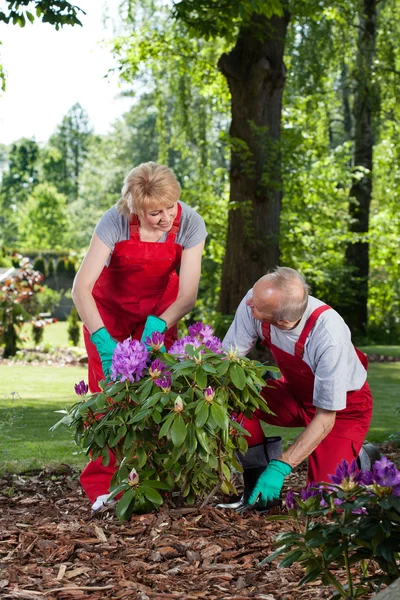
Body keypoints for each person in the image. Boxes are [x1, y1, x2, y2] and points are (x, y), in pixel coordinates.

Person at [72, 161, 207, 510]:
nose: (164, 219)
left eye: (169, 208)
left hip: (161, 313)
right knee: (108, 399)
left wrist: (160, 324)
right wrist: (101, 338)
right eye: (153, 213)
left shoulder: (190, 223)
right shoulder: (114, 221)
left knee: (160, 395)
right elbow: (80, 289)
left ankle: (152, 482)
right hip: (110, 314)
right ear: (135, 208)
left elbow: (188, 294)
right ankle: (103, 486)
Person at [220, 266, 377, 510]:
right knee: (232, 396)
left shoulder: (328, 335)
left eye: (257, 306)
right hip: (295, 395)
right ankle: (258, 495)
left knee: (322, 504)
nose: (249, 301)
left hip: (343, 411)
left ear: (282, 320)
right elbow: (227, 361)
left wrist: (281, 466)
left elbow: (326, 418)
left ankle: (361, 460)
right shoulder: (257, 299)